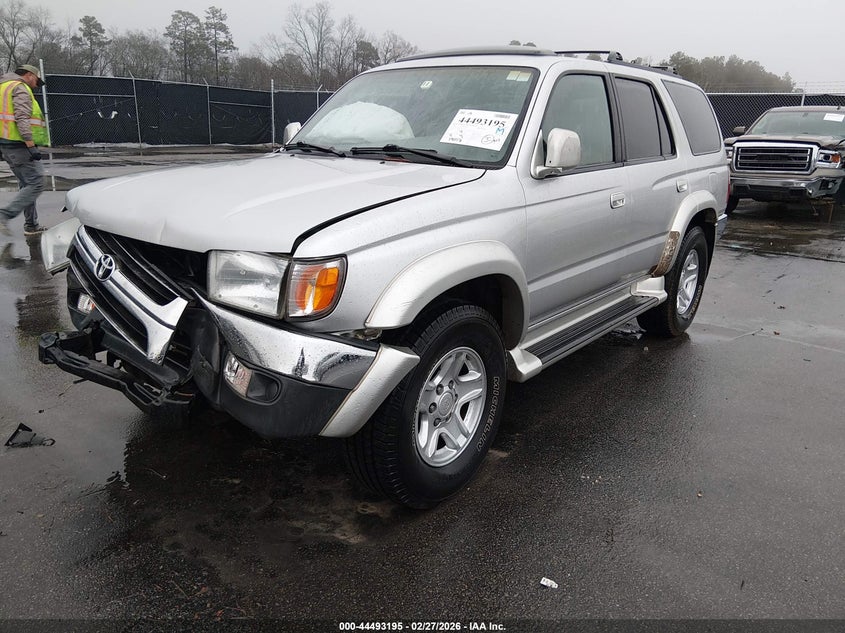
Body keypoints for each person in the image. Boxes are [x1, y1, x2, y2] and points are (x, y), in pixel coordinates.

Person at [0, 63, 48, 237]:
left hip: (7, 144)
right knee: (37, 183)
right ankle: (4, 214)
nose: (37, 85)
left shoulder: (3, 87)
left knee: (26, 184)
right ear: (29, 75)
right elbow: (22, 118)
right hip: (19, 145)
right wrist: (30, 144)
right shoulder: (20, 88)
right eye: (36, 80)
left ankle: (31, 225)